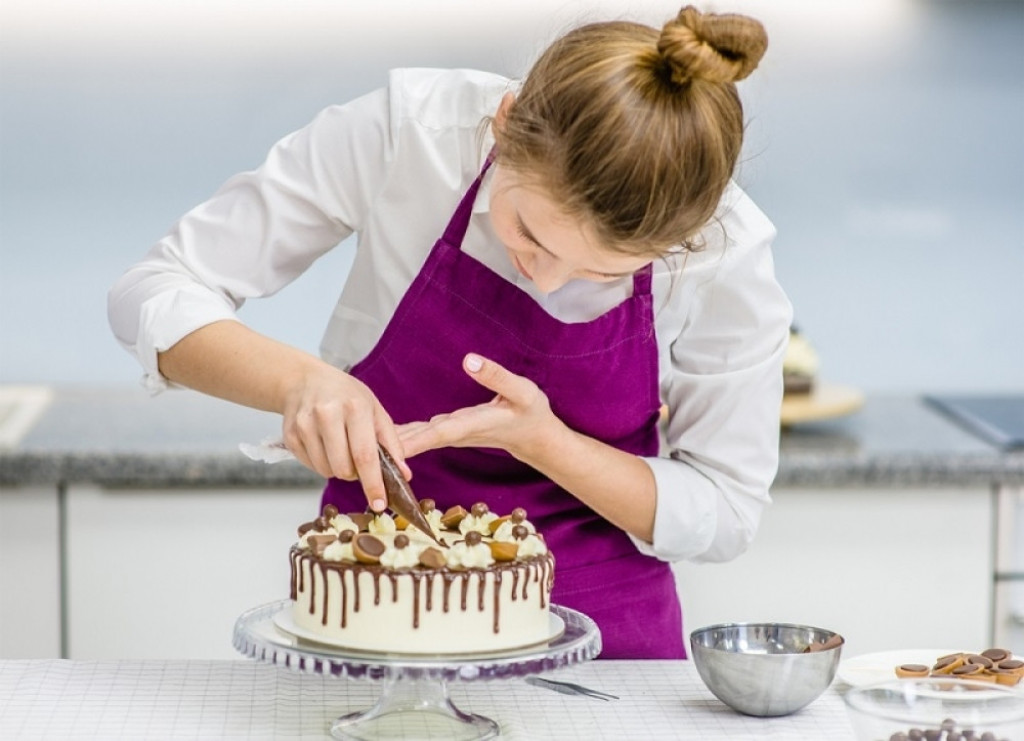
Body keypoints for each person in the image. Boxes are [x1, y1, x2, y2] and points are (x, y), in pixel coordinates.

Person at [108, 5, 792, 659]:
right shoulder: (411, 133)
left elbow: (727, 508)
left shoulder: (724, 250)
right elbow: (153, 291)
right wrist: (300, 381)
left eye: (599, 271)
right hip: (374, 618)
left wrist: (546, 443)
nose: (547, 281)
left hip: (611, 654)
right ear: (504, 124)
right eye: (527, 232)